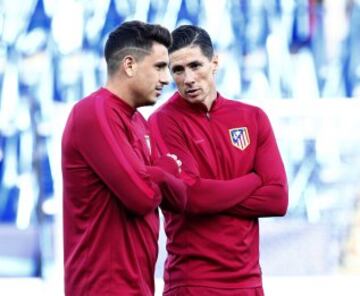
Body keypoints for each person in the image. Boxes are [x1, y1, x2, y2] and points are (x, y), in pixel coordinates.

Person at [149, 25, 288, 296]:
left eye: (195, 65)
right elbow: (191, 198)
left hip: (248, 283)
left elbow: (277, 199)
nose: (188, 78)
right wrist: (253, 180)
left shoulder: (253, 118)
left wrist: (211, 194)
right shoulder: (162, 123)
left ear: (214, 62)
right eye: (177, 70)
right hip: (192, 282)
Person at [61, 20, 186, 296]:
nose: (167, 79)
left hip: (139, 287)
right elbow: (140, 197)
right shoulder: (94, 112)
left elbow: (178, 198)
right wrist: (163, 170)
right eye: (159, 67)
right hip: (101, 289)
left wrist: (152, 175)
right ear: (129, 65)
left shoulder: (139, 122)